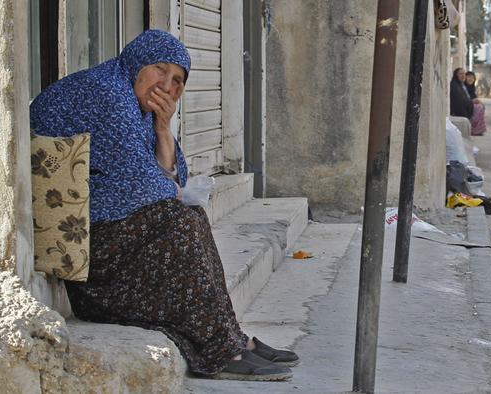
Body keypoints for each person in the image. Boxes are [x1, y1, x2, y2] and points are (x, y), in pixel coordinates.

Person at [30, 30, 298, 381]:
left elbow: (176, 177)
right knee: (178, 219)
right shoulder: (108, 93)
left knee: (188, 214)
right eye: (160, 69)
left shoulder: (136, 103)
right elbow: (146, 185)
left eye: (178, 80)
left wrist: (163, 128)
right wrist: (171, 190)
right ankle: (220, 348)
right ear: (137, 64)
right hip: (73, 240)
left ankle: (230, 338)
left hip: (96, 216)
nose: (168, 85)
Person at [464, 71, 487, 136]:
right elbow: (465, 98)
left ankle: (478, 129)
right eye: (469, 77)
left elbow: (473, 97)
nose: (470, 79)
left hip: (469, 103)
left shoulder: (472, 87)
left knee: (481, 106)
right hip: (463, 105)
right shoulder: (464, 86)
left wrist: (477, 100)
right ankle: (474, 129)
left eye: (472, 78)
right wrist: (474, 100)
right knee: (478, 108)